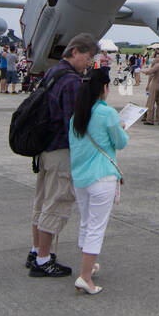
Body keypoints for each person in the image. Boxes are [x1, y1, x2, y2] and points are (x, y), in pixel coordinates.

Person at [28, 33, 99, 278]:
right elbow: (74, 122)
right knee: (56, 202)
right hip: (61, 150)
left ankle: (36, 250)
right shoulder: (72, 82)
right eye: (88, 57)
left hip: (45, 148)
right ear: (76, 51)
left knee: (42, 200)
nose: (88, 63)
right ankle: (44, 260)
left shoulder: (53, 72)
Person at [68, 67, 129, 295]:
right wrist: (122, 129)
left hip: (80, 177)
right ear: (104, 88)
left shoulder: (77, 115)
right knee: (96, 227)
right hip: (102, 177)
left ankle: (88, 266)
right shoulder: (107, 113)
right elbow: (120, 143)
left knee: (86, 222)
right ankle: (84, 277)